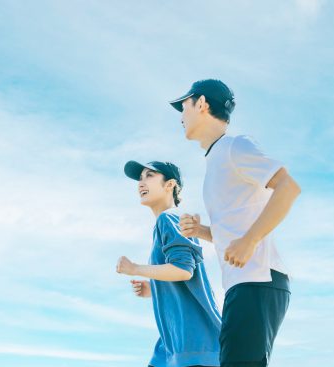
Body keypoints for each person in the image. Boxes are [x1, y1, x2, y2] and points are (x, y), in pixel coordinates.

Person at [169, 79, 301, 367]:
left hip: (258, 280)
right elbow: (236, 231)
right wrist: (201, 231)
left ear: (201, 103)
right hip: (244, 283)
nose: (181, 116)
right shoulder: (217, 158)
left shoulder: (234, 146)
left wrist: (250, 240)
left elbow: (288, 187)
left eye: (184, 106)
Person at [116, 160, 221, 367]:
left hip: (195, 344)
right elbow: (178, 275)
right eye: (140, 178)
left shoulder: (170, 218)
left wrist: (135, 269)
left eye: (149, 175)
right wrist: (154, 287)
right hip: (172, 345)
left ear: (170, 185)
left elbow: (183, 270)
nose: (141, 183)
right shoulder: (164, 223)